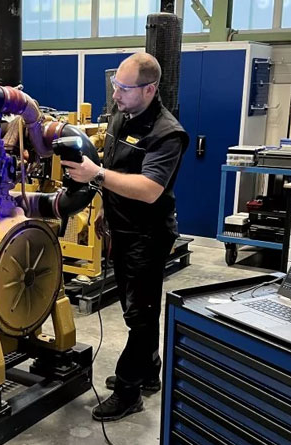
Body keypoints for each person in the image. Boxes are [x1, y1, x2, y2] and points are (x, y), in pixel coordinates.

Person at [61, 52, 189, 422]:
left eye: (124, 88)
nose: (115, 95)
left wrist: (95, 175)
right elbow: (117, 170)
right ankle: (148, 370)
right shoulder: (121, 116)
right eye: (115, 86)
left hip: (148, 235)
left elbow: (149, 189)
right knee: (138, 309)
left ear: (149, 89)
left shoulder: (167, 133)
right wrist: (104, 208)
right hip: (121, 226)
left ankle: (130, 390)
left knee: (141, 313)